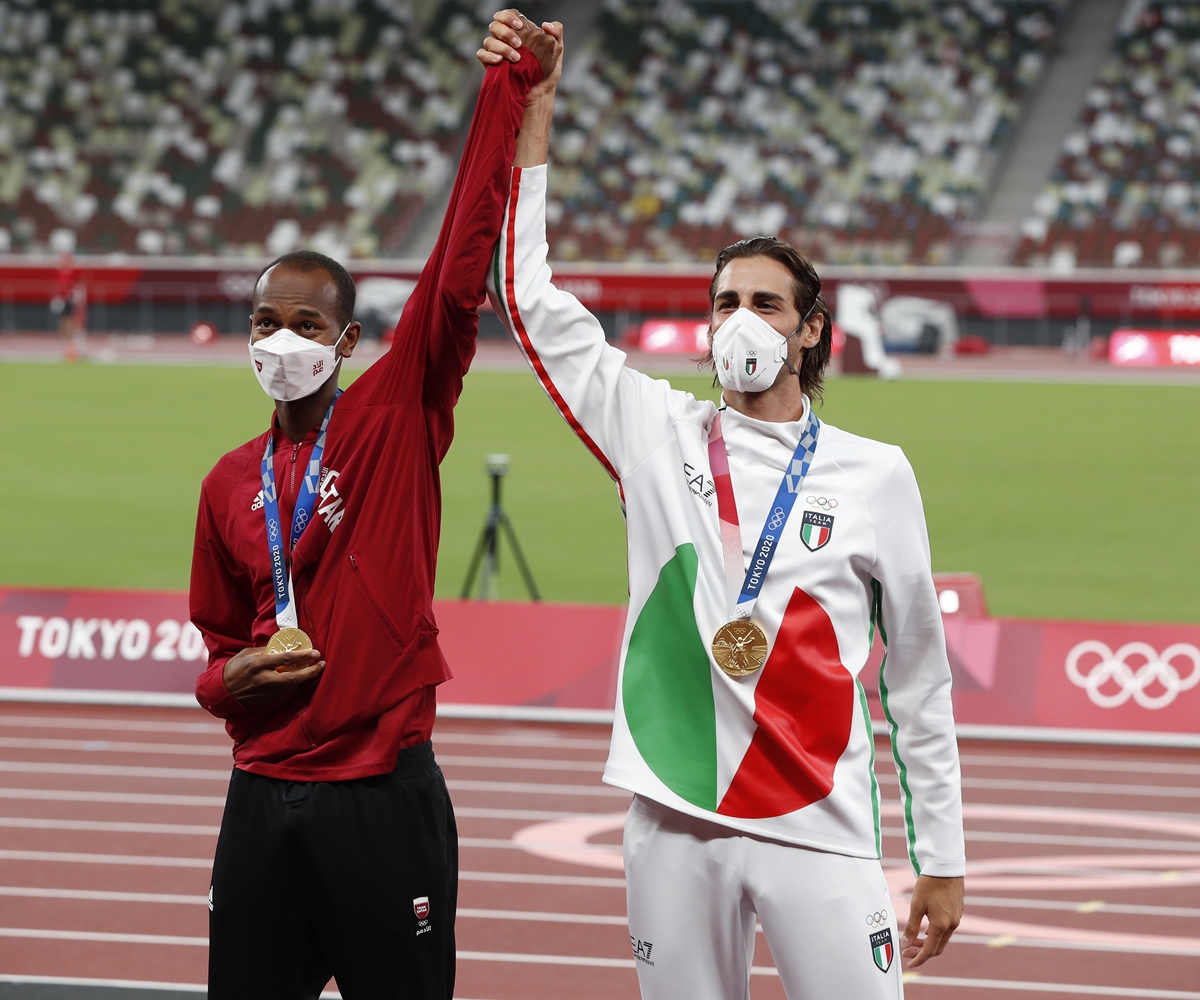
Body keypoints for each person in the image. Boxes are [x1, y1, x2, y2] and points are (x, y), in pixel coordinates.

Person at [478, 14, 964, 1000]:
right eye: (725, 302)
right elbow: (526, 296)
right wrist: (536, 109)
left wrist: (942, 854)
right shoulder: (652, 431)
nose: (742, 321)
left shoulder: (877, 473)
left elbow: (917, 678)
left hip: (819, 826)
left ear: (811, 329)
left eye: (768, 303)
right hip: (672, 818)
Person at [189, 20, 562, 1000]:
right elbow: (218, 658)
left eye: (305, 324)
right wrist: (238, 674)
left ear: (347, 340)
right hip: (262, 795)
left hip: (379, 792)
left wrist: (509, 97)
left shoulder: (397, 418)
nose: (281, 341)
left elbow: (455, 268)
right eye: (265, 322)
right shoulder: (229, 481)